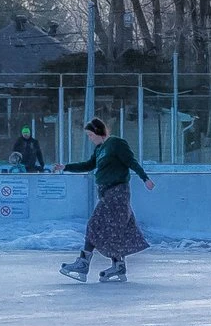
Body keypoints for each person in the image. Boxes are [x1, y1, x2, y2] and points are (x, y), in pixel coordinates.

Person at [60, 117, 152, 282]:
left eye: (90, 135)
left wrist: (145, 178)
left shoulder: (116, 143)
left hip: (117, 192)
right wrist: (66, 167)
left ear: (97, 131)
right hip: (106, 193)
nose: (90, 139)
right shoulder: (99, 149)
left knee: (95, 223)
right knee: (114, 229)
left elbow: (131, 162)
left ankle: (84, 262)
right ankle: (118, 266)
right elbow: (89, 165)